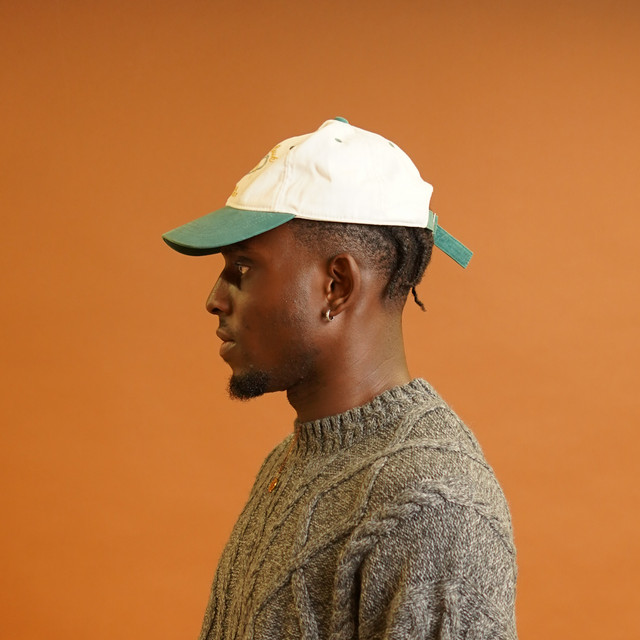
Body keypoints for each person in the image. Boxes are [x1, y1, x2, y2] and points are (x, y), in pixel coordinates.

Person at [163, 118, 517, 639]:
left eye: (243, 268)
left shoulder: (432, 503)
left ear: (337, 285)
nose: (214, 299)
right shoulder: (290, 462)